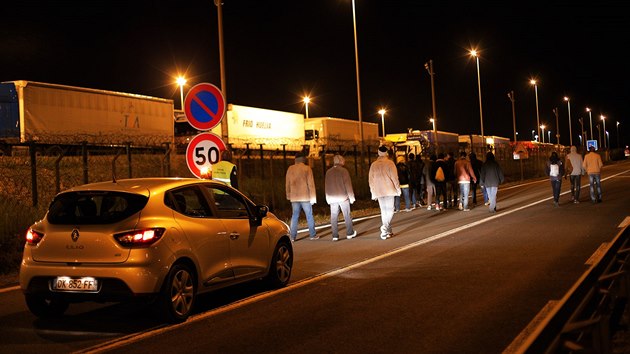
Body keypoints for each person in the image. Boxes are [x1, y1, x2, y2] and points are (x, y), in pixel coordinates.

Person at [369, 145, 401, 240]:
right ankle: (384, 228)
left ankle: (387, 231)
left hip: (378, 191)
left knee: (384, 211)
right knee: (390, 210)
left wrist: (372, 192)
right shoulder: (390, 163)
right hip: (389, 189)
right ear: (386, 153)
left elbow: (371, 180)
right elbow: (395, 178)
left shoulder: (373, 165)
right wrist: (398, 189)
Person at [325, 154, 357, 241]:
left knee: (334, 217)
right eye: (343, 160)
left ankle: (335, 235)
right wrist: (352, 197)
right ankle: (349, 233)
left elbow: (326, 186)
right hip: (343, 197)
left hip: (332, 198)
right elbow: (348, 185)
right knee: (347, 215)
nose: (344, 162)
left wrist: (327, 198)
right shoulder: (344, 171)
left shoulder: (328, 172)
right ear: (340, 161)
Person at [285, 153, 317, 241]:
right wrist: (313, 197)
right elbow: (311, 184)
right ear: (303, 159)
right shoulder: (307, 168)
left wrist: (288, 195)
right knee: (309, 215)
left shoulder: (290, 169)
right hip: (305, 196)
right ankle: (312, 235)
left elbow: (287, 184)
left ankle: (292, 237)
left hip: (294, 197)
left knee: (295, 216)